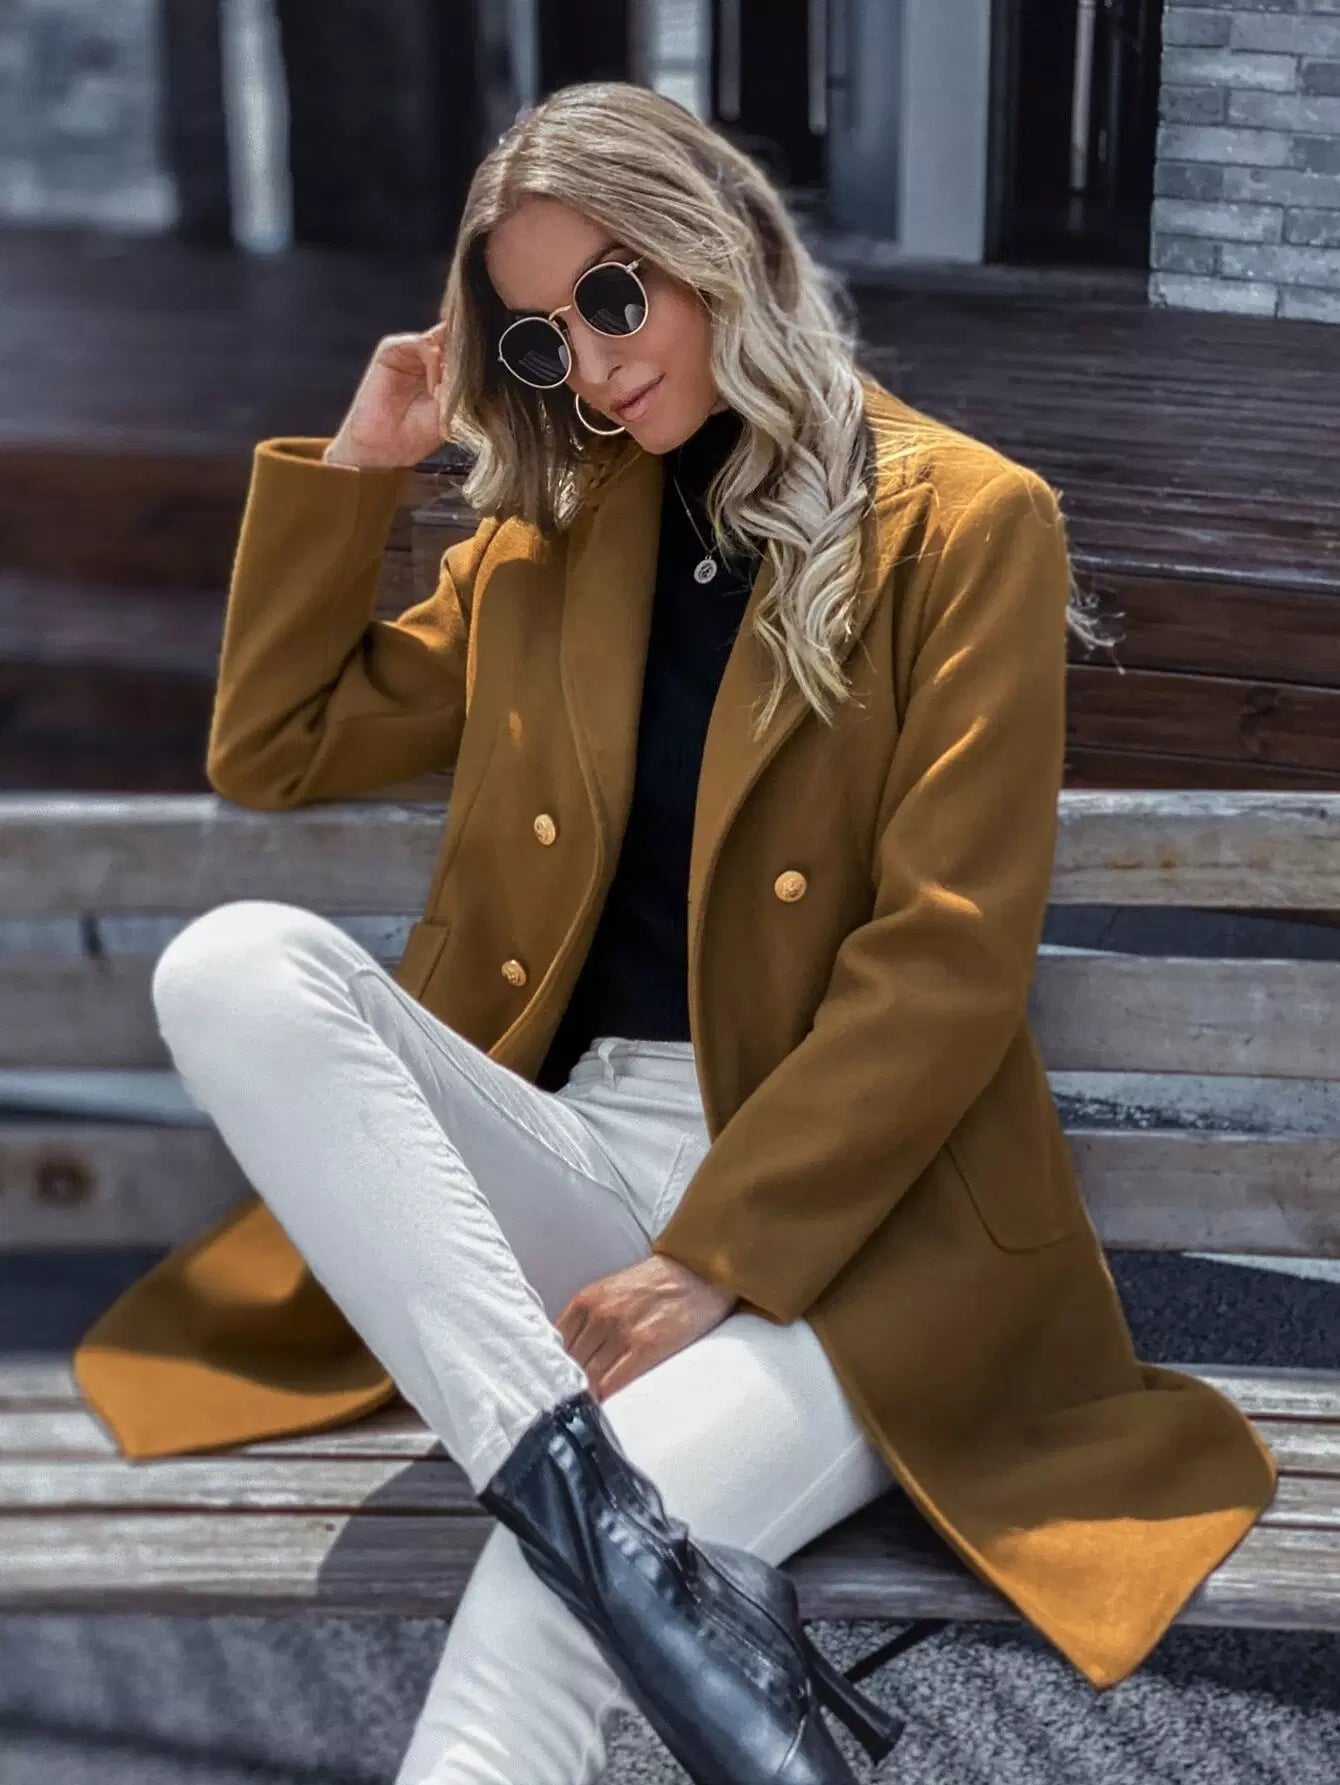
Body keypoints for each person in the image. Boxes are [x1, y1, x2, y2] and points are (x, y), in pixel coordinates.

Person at [72, 79, 1279, 1785]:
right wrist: (362, 465)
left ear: (715, 247)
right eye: (543, 337)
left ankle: (580, 1522)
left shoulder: (963, 520)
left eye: (612, 296)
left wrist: (714, 1251)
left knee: (540, 1606)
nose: (589, 360)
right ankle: (585, 1490)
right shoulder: (552, 533)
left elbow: (946, 961)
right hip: (579, 1156)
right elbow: (280, 745)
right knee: (233, 963)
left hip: (851, 1236)